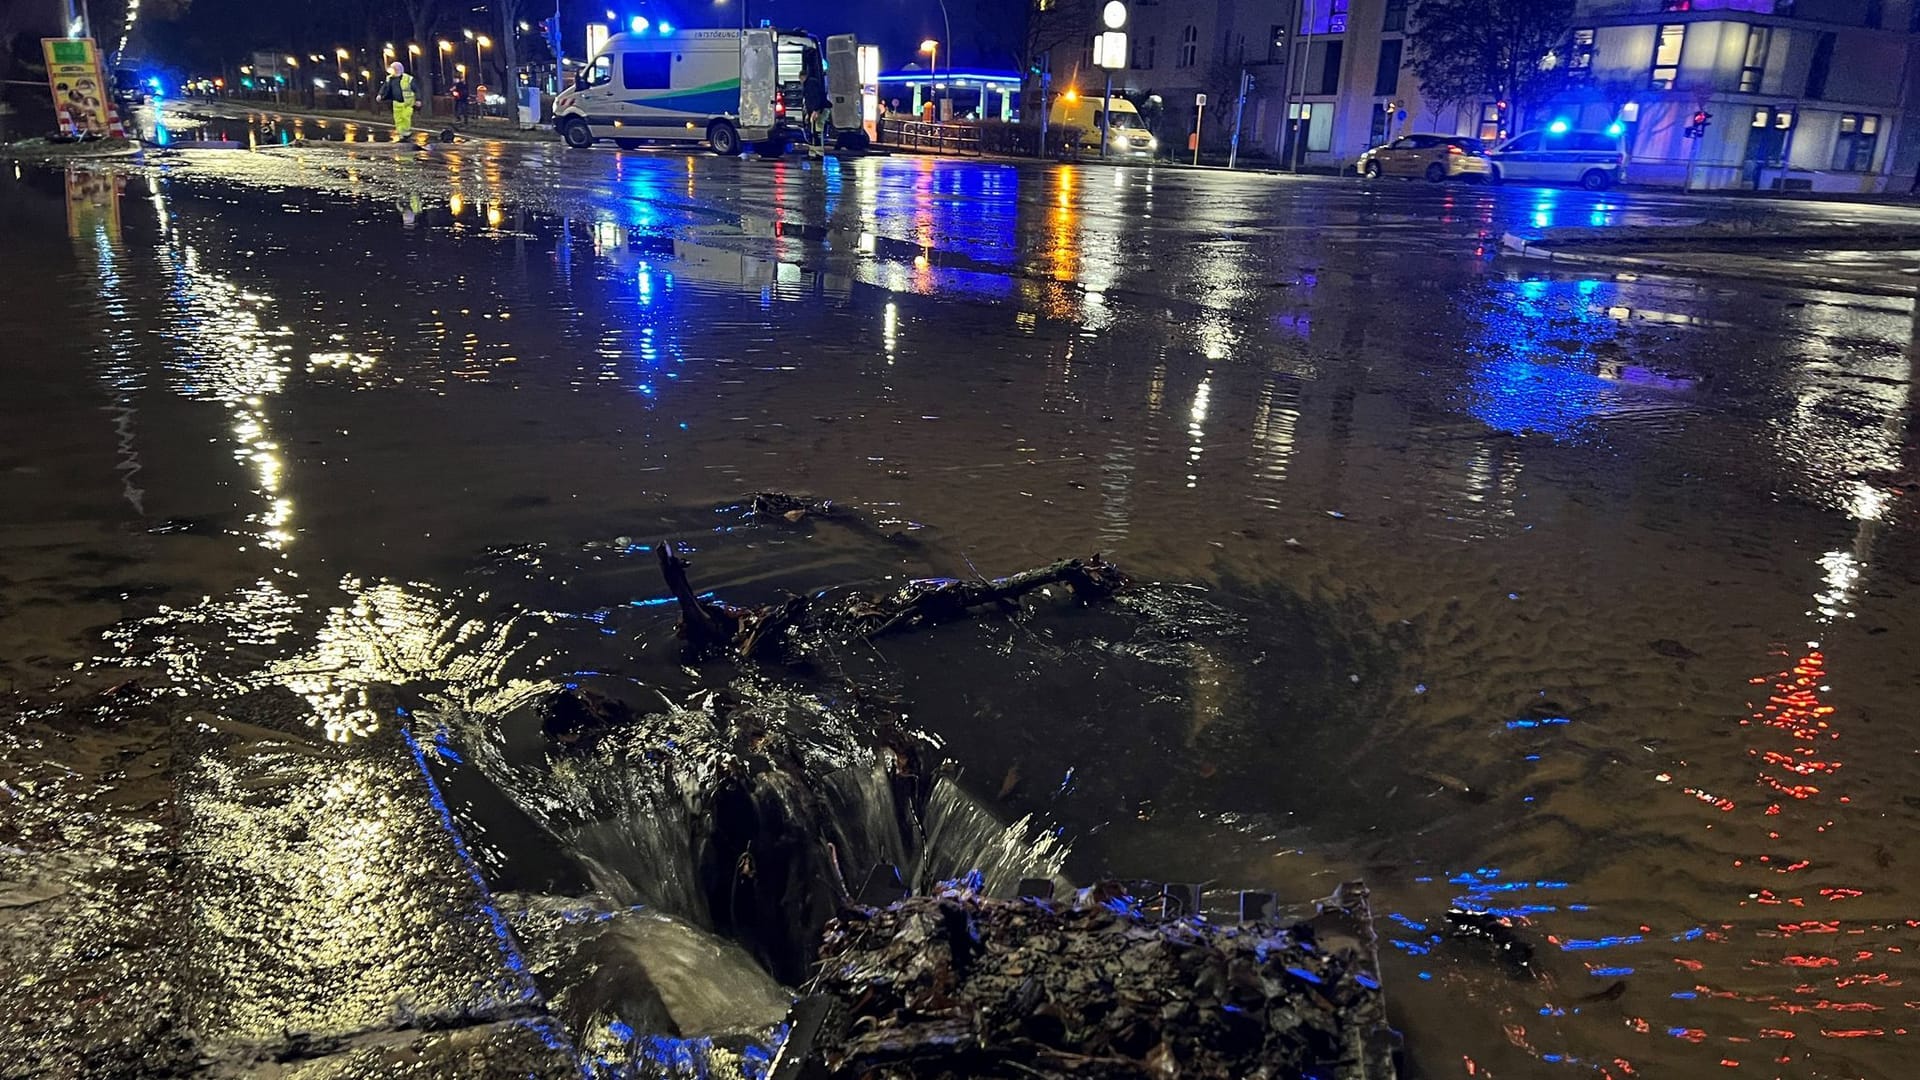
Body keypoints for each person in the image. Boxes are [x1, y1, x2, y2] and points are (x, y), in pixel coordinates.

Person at [378, 61, 419, 138]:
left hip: (407, 102)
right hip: (396, 102)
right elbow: (384, 87)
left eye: (393, 68)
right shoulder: (389, 78)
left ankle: (406, 132)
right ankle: (401, 133)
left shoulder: (408, 78)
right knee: (398, 119)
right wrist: (380, 95)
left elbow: (416, 89)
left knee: (405, 117)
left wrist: (418, 100)